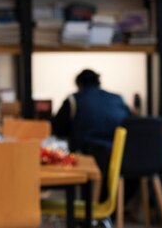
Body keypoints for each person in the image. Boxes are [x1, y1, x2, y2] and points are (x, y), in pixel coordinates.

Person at [51, 69, 131, 201]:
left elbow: (58, 127)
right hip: (122, 156)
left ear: (79, 84)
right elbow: (130, 121)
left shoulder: (74, 100)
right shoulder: (117, 99)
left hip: (90, 157)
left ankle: (86, 211)